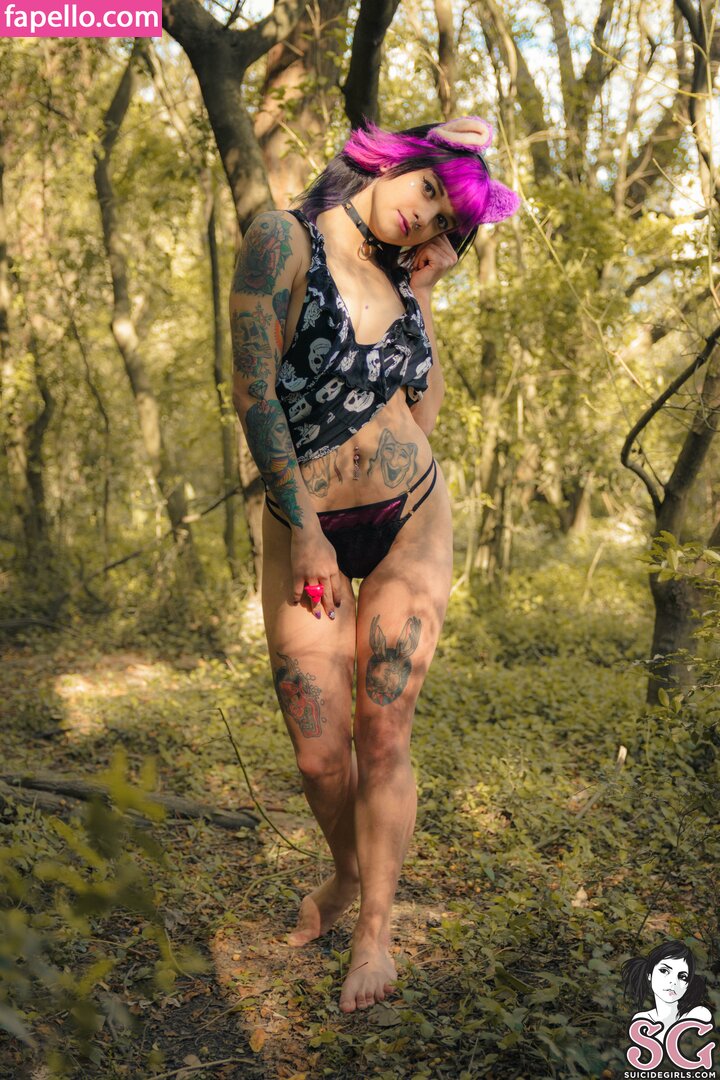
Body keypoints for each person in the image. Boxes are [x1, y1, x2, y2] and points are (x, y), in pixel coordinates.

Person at [230, 116, 520, 1013]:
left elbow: (420, 416)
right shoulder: (282, 240)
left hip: (410, 516)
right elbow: (253, 393)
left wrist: (424, 294)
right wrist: (306, 528)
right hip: (303, 526)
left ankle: (375, 936)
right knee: (320, 756)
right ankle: (348, 872)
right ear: (394, 163)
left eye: (444, 217)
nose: (423, 217)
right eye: (427, 188)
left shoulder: (406, 273)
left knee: (384, 732)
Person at [621, 940, 712, 1044]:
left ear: (688, 984)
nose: (673, 982)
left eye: (682, 977)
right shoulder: (641, 1021)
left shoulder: (698, 1015)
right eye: (664, 971)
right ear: (649, 975)